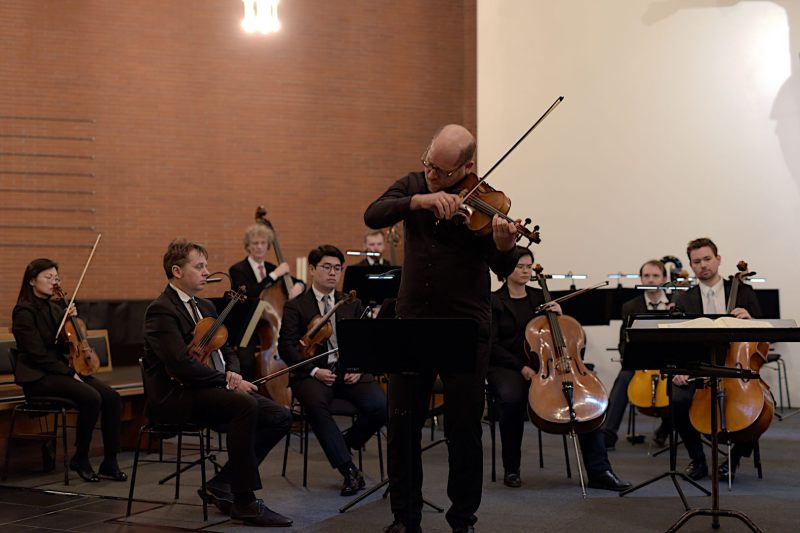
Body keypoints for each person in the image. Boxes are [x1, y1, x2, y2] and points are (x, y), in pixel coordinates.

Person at [364, 124, 519, 533]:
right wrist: (420, 199)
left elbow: (504, 265)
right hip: (412, 322)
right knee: (402, 425)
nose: (433, 173)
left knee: (463, 430)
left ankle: (462, 518)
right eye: (429, 163)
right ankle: (405, 517)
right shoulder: (414, 185)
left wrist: (504, 245)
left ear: (467, 166)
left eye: (443, 171)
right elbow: (373, 212)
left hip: (465, 328)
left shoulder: (486, 204)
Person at [142, 238, 292, 527]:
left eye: (206, 266)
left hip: (210, 388)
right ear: (177, 271)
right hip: (176, 397)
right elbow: (181, 366)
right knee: (244, 405)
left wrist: (233, 373)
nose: (206, 272)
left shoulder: (207, 305)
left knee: (280, 416)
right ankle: (246, 502)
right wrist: (225, 380)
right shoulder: (161, 310)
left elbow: (228, 350)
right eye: (199, 267)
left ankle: (222, 483)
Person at [487, 246, 631, 491]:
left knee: (584, 402)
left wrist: (560, 316)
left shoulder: (541, 297)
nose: (525, 271)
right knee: (512, 399)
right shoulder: (494, 301)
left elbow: (566, 339)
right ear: (506, 269)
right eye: (519, 266)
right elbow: (491, 344)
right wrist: (522, 368)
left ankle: (600, 471)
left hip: (547, 364)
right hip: (508, 364)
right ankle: (512, 468)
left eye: (528, 266)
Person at [277, 245, 387, 496]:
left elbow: (365, 341)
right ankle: (349, 470)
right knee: (316, 406)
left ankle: (345, 443)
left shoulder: (351, 302)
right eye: (327, 267)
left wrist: (359, 368)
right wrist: (314, 370)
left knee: (383, 407)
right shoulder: (296, 306)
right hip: (312, 374)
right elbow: (286, 347)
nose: (333, 273)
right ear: (313, 270)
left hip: (349, 371)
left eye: (338, 268)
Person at [11, 258, 127, 483]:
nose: (54, 282)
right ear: (32, 280)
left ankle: (110, 462)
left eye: (56, 278)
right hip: (38, 377)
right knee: (91, 397)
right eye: (48, 277)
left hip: (61, 371)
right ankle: (80, 458)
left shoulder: (57, 309)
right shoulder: (23, 312)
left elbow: (66, 345)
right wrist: (68, 374)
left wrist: (71, 321)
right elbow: (36, 354)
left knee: (111, 397)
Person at [672, 237, 762, 481]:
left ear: (718, 259)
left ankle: (733, 460)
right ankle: (697, 459)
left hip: (737, 366)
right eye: (697, 261)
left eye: (707, 259)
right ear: (691, 266)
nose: (703, 265)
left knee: (759, 408)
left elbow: (765, 335)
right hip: (698, 367)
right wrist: (680, 369)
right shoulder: (685, 299)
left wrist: (751, 320)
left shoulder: (743, 292)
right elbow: (675, 341)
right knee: (678, 399)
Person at [602, 259, 672, 449]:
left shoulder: (676, 304)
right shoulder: (630, 307)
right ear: (641, 278)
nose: (650, 280)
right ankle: (608, 433)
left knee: (682, 388)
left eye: (655, 276)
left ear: (664, 279)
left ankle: (665, 429)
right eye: (646, 276)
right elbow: (623, 342)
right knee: (624, 377)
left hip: (670, 362)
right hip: (641, 362)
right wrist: (631, 358)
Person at [227, 223, 304, 381]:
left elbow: (300, 282)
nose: (260, 247)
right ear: (248, 246)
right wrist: (274, 275)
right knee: (246, 362)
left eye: (263, 243)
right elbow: (252, 292)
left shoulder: (271, 267)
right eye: (255, 243)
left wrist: (300, 285)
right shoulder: (237, 270)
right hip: (248, 326)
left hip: (271, 325)